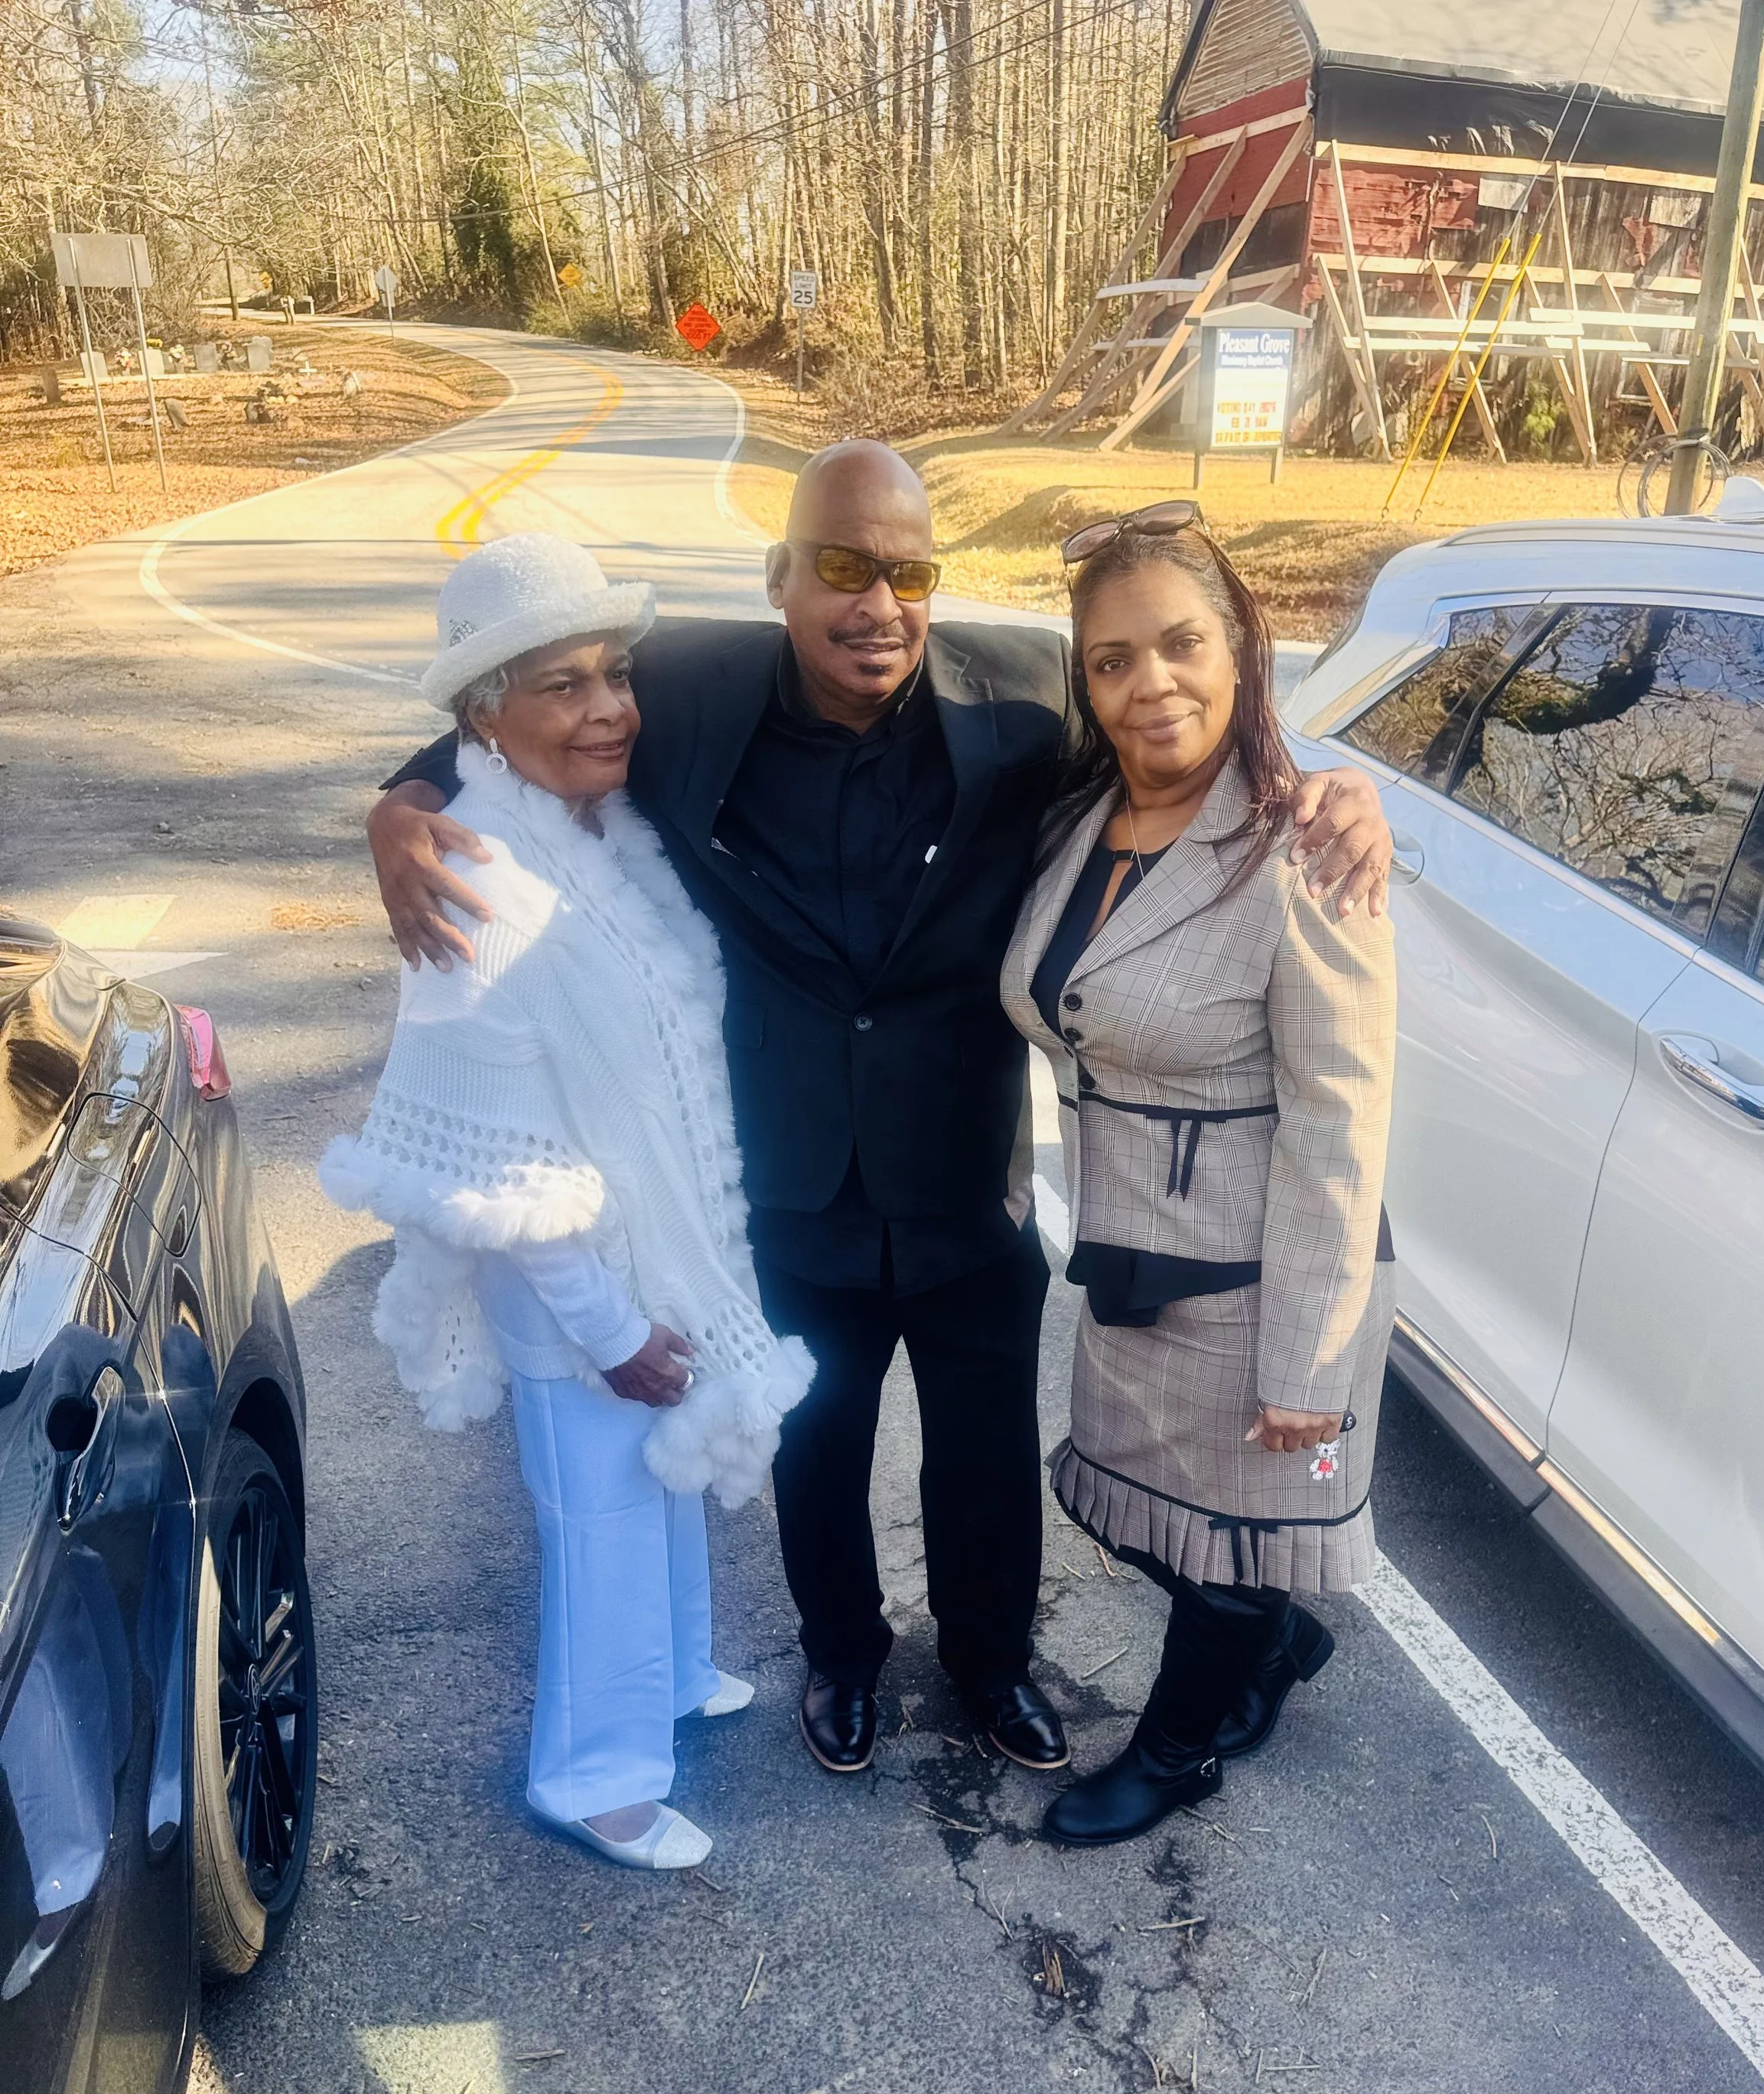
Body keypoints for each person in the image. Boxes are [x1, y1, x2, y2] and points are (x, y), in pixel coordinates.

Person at [365, 448, 1394, 1783]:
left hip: (969, 1178)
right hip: (790, 1183)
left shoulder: (1019, 700)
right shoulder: (688, 686)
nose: (878, 604)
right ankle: (842, 1657)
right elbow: (514, 699)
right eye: (843, 568)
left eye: (909, 572)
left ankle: (989, 1663)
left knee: (983, 1458)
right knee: (819, 1450)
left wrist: (1330, 781)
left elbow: (1182, 720)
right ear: (783, 577)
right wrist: (400, 804)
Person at [323, 533, 813, 1871]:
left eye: (614, 676)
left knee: (656, 1491)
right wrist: (602, 1326)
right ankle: (592, 1776)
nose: (607, 709)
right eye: (561, 686)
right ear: (486, 714)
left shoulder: (597, 832)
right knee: (598, 1516)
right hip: (573, 1284)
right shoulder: (473, 874)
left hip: (650, 1241)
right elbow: (500, 1151)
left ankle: (673, 1677)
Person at [1001, 504, 1396, 1848]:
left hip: (1253, 1274)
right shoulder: (1077, 818)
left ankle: (1177, 1757)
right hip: (1127, 1260)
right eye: (1113, 660)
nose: (1149, 683)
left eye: (1179, 645)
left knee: (1226, 1549)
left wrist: (1309, 1358)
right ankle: (1276, 1644)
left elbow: (1344, 1122)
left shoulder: (1308, 852)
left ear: (1241, 652)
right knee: (1141, 1520)